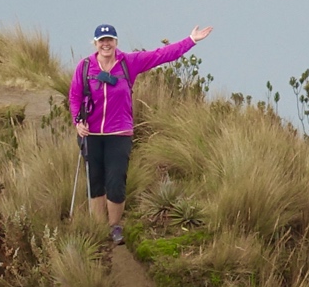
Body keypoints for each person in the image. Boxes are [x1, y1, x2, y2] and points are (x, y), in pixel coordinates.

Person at [70, 22, 213, 245]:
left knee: (116, 182)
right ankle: (98, 230)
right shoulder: (85, 67)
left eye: (110, 40)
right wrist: (77, 122)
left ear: (116, 42)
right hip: (92, 134)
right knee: (95, 183)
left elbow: (161, 55)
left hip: (119, 133)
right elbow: (75, 97)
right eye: (102, 41)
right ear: (96, 43)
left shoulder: (129, 63)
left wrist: (191, 41)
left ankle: (114, 227)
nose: (106, 44)